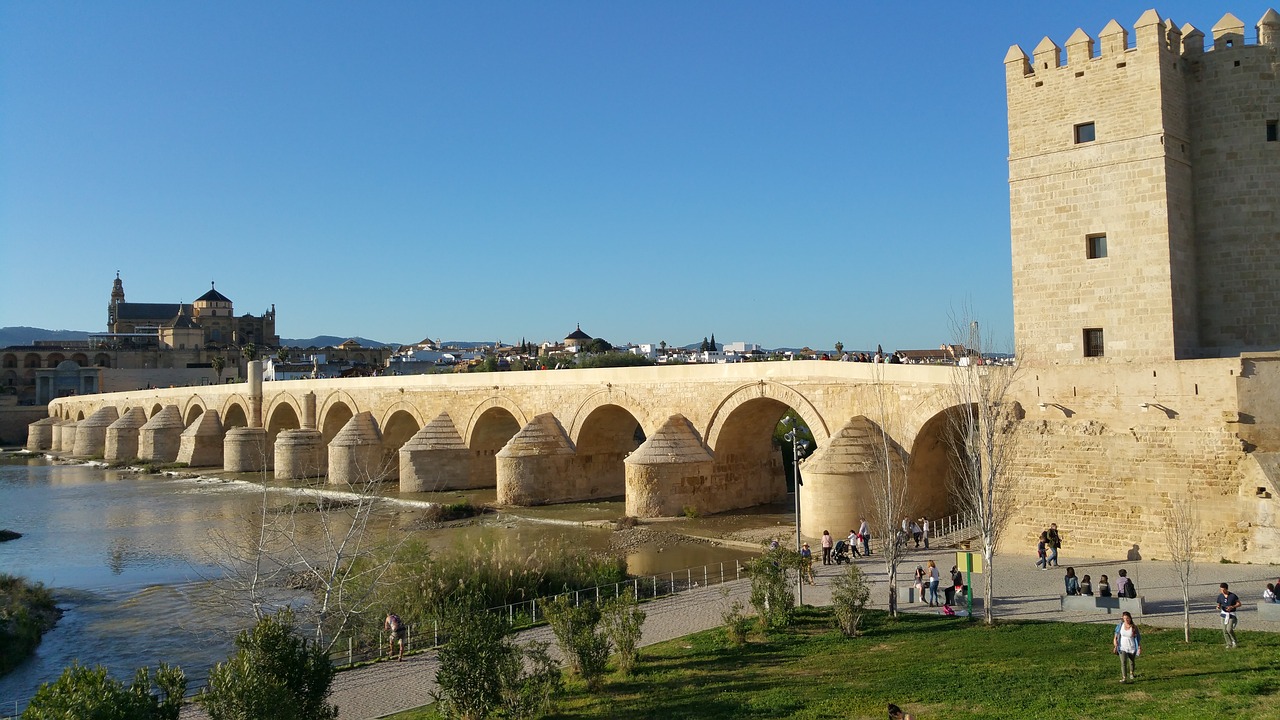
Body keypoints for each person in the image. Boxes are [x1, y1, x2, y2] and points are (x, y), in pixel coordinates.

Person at [1112, 611, 1141, 683]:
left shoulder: (1134, 627)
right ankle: (1124, 678)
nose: (1126, 620)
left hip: (1131, 646)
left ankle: (1131, 673)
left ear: (1130, 618)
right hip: (1122, 647)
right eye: (1124, 618)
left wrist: (1139, 647)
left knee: (1131, 661)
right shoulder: (1120, 625)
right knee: (1123, 662)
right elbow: (1116, 633)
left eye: (1127, 618)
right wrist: (1115, 641)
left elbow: (1138, 638)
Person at [1218, 582, 1242, 649]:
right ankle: (1229, 643)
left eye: (1223, 590)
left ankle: (1234, 641)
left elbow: (1239, 604)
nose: (1222, 591)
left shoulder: (1233, 596)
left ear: (1226, 589)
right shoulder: (1220, 596)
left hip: (1231, 614)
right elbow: (1219, 603)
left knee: (1229, 629)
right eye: (1221, 590)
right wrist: (1218, 606)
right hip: (1223, 614)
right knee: (1224, 630)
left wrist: (1232, 606)